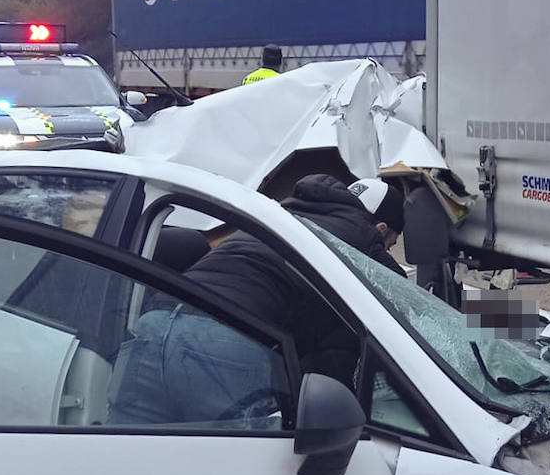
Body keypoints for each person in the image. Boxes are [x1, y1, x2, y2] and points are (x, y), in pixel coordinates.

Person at [107, 174, 405, 425]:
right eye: (390, 244)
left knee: (129, 461)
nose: (386, 250)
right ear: (380, 228)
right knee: (248, 469)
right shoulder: (362, 235)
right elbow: (404, 298)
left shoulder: (284, 215)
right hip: (224, 339)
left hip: (155, 324)